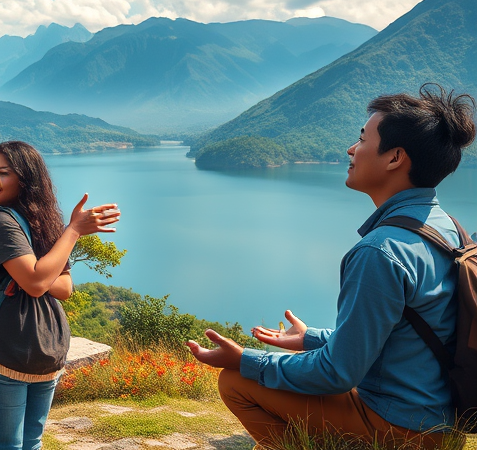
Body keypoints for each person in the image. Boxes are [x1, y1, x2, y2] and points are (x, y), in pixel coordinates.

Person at [186, 85, 476, 448]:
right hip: (441, 422)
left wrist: (246, 359)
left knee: (236, 381)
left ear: (395, 158)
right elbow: (400, 335)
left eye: (362, 139)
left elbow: (337, 373)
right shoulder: (448, 228)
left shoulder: (380, 251)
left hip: (401, 429)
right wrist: (309, 339)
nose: (351, 150)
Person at [0, 141, 120, 450]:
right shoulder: (1, 223)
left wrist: (39, 267)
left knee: (31, 443)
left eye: (3, 173)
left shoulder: (40, 222)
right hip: (4, 351)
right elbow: (37, 284)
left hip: (44, 353)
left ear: (26, 179)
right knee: (3, 444)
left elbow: (63, 288)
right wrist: (72, 232)